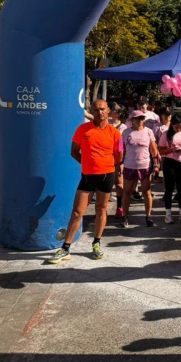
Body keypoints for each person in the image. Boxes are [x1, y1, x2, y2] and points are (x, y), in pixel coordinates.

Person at [48, 100, 123, 264]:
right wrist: (87, 163)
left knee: (101, 210)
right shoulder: (83, 129)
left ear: (108, 111)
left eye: (102, 109)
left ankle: (96, 243)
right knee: (77, 212)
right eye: (96, 110)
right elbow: (74, 152)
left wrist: (110, 166)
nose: (99, 112)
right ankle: (65, 248)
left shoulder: (115, 133)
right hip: (88, 176)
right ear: (92, 112)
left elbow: (119, 155)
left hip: (106, 176)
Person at [120, 110, 160, 228]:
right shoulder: (125, 132)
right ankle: (125, 217)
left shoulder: (149, 132)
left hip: (145, 166)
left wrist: (156, 165)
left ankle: (148, 217)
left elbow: (153, 149)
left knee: (146, 192)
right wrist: (120, 164)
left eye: (142, 118)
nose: (140, 121)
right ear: (132, 120)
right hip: (129, 166)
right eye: (137, 118)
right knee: (127, 192)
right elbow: (121, 149)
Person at [158, 114, 181, 224]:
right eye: (176, 127)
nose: (179, 129)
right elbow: (160, 150)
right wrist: (171, 150)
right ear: (172, 125)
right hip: (170, 163)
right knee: (169, 189)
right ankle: (168, 214)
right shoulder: (166, 134)